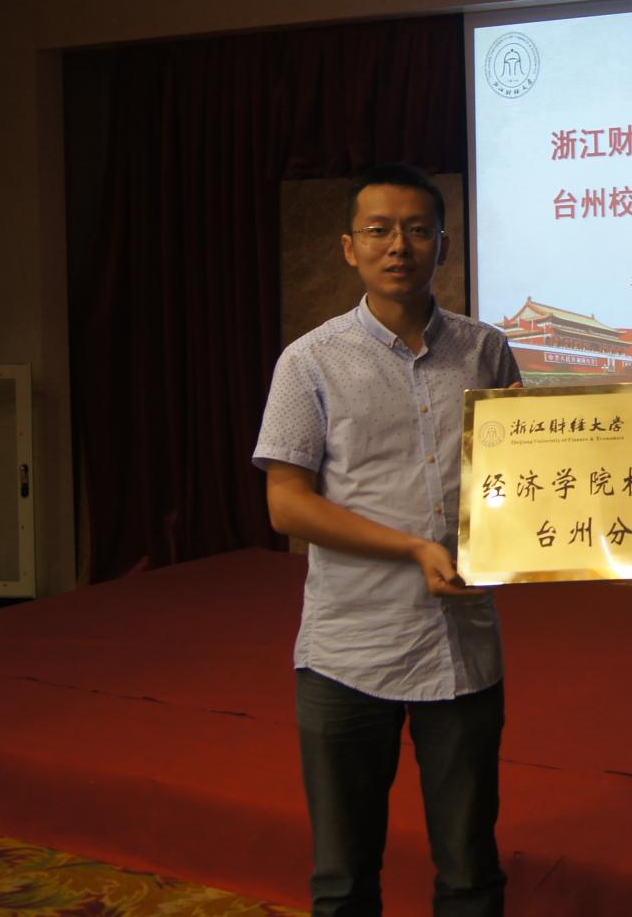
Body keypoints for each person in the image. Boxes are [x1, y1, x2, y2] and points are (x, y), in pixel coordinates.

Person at [254, 163, 521, 917]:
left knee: (470, 871)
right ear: (349, 247)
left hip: (461, 645)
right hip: (349, 649)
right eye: (379, 230)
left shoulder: (485, 350)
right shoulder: (310, 360)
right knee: (343, 879)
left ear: (444, 244)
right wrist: (411, 548)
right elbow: (286, 504)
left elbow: (518, 476)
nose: (398, 245)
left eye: (418, 229)